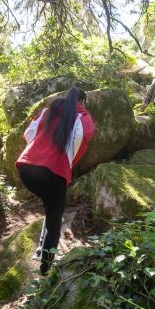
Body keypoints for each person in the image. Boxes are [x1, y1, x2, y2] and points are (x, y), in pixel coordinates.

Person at [16, 87, 95, 275]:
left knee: (50, 206)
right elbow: (85, 135)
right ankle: (45, 269)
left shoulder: (48, 110)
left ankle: (40, 251)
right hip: (54, 172)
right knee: (54, 222)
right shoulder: (82, 115)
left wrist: (38, 151)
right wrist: (69, 158)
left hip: (27, 169)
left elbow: (29, 132)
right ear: (82, 101)